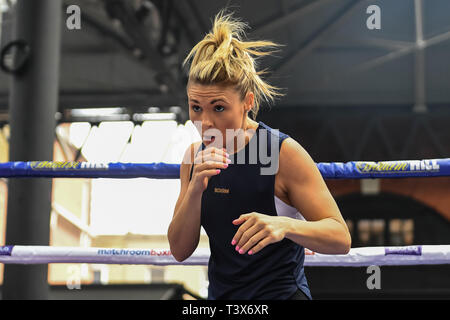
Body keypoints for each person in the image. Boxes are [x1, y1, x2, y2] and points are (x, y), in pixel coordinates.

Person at [167, 11, 351, 300]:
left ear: (247, 103)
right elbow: (179, 250)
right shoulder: (193, 158)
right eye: (195, 107)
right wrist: (194, 191)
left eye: (218, 108)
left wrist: (285, 225)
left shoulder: (282, 152)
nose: (205, 122)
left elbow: (340, 237)